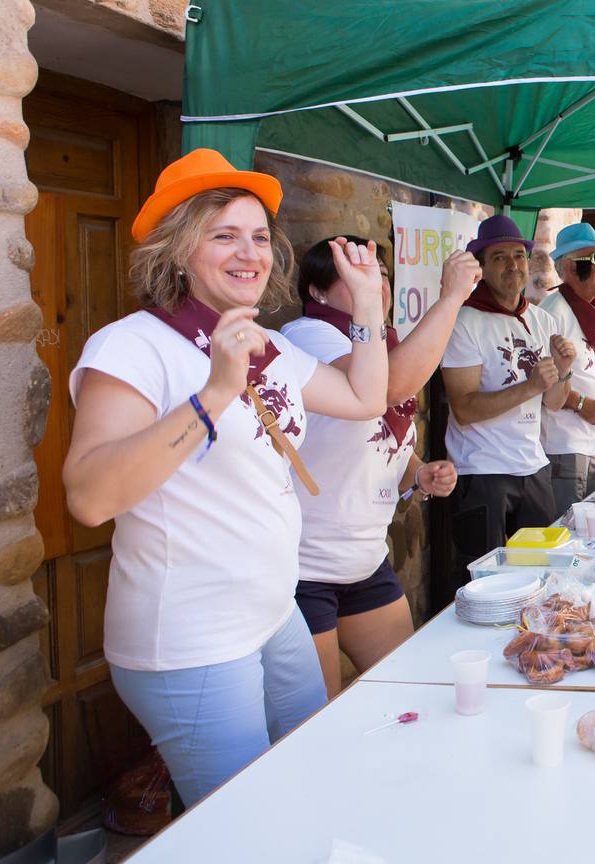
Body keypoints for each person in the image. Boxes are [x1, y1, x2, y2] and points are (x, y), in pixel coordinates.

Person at [63, 149, 391, 806]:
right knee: (243, 827)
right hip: (192, 638)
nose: (250, 252)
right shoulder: (132, 346)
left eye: (259, 237)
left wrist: (368, 309)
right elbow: (90, 497)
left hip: (273, 614)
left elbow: (363, 398)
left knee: (309, 780)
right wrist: (214, 393)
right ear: (180, 252)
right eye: (224, 235)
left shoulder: (266, 344)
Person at [281, 237, 477, 698]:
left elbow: (379, 440)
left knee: (404, 693)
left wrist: (417, 472)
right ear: (318, 292)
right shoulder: (308, 336)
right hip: (305, 569)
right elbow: (390, 389)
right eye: (359, 278)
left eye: (383, 277)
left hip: (365, 561)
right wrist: (450, 299)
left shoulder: (381, 344)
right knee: (314, 724)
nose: (380, 287)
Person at [441, 215, 576, 585]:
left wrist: (563, 371)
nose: (513, 265)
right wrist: (531, 386)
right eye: (500, 257)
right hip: (482, 471)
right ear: (481, 267)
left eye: (519, 256)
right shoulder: (465, 320)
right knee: (482, 581)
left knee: (540, 577)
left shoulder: (542, 320)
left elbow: (554, 402)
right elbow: (465, 409)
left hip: (533, 467)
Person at [540, 222, 595, 516]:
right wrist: (582, 403)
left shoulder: (590, 307)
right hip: (563, 443)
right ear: (571, 268)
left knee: (588, 527)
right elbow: (543, 378)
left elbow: (585, 360)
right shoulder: (554, 312)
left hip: (589, 439)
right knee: (569, 530)